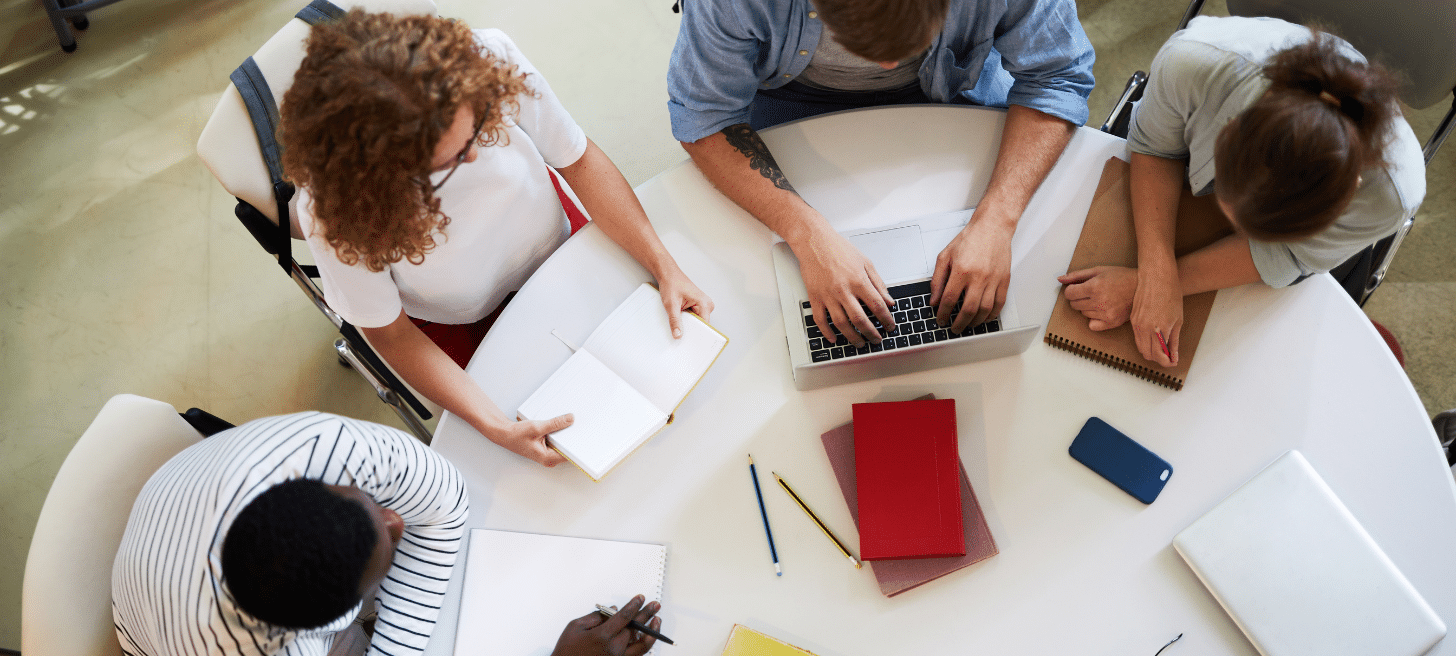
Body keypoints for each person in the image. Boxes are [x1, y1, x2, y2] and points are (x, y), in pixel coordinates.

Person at [279, 11, 713, 468]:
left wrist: (664, 264)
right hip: (455, 320)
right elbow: (391, 334)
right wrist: (495, 427)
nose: (473, 156)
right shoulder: (334, 210)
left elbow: (578, 160)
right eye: (445, 163)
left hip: (553, 240)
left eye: (476, 127)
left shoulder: (486, 57)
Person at [667, 0, 1094, 345]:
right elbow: (705, 118)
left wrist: (998, 221)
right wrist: (806, 234)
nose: (889, 64)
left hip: (949, 88)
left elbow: (1057, 77)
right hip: (789, 97)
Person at [111, 412, 663, 656]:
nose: (396, 520)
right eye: (390, 548)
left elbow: (444, 505)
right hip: (160, 628)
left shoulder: (316, 446)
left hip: (178, 533)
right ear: (340, 617)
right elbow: (433, 521)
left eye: (367, 503)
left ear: (315, 483)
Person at [1058, 16, 1424, 367]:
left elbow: (1287, 255)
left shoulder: (1390, 196)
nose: (1232, 229)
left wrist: (1155, 285)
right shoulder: (1192, 62)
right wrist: (1155, 275)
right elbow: (1156, 149)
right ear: (1228, 129)